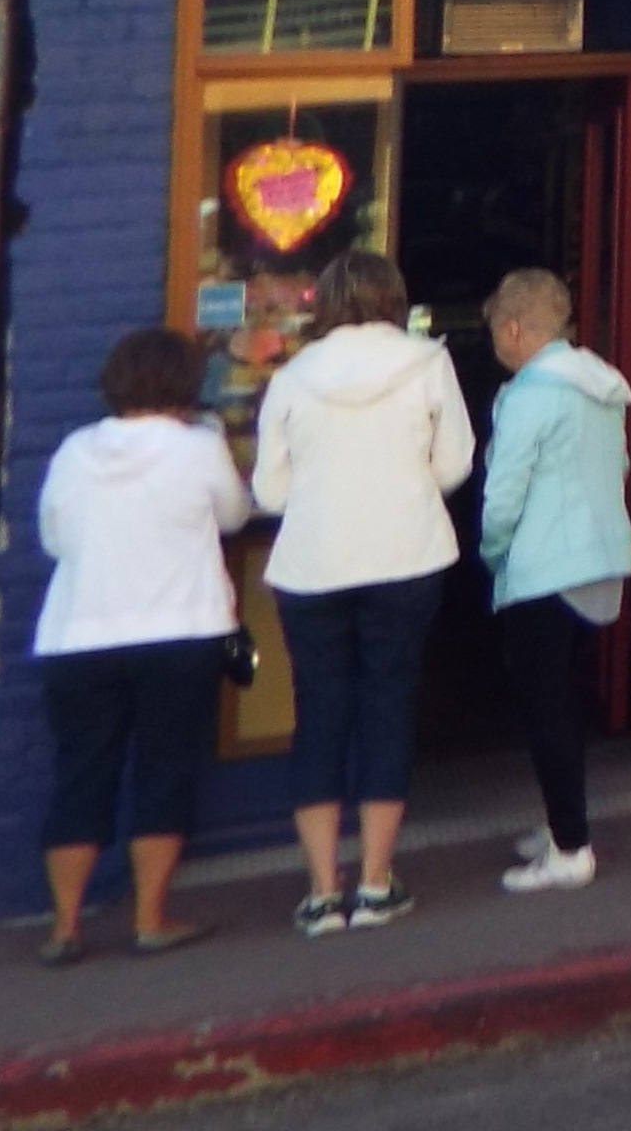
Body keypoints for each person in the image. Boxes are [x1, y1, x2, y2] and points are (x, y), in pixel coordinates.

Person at [251, 248, 474, 934]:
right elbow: (456, 463)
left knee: (320, 714)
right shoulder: (428, 363)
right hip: (406, 555)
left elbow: (269, 489)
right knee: (388, 705)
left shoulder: (291, 376)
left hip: (313, 565)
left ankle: (323, 891)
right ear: (392, 298)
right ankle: (376, 882)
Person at [31, 326, 249, 963]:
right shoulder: (199, 449)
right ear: (186, 384)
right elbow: (234, 516)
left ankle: (64, 927)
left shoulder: (74, 452)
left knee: (82, 774)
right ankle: (150, 918)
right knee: (164, 772)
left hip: (79, 634)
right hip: (179, 632)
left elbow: (52, 539)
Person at [475, 268, 631, 896]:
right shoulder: (601, 388)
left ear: (515, 329)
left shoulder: (527, 397)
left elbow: (503, 493)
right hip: (600, 562)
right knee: (566, 705)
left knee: (546, 712)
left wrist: (493, 553)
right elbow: (617, 466)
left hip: (544, 567)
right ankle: (561, 823)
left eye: (496, 332)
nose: (495, 344)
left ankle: (569, 848)